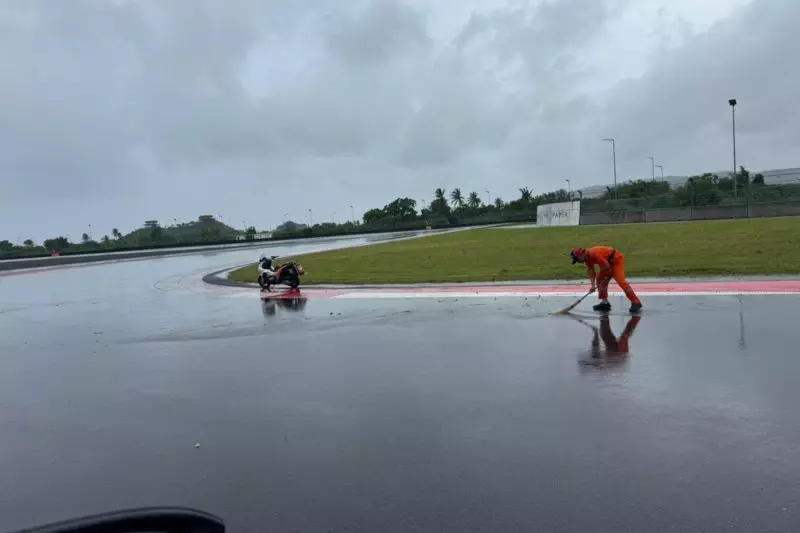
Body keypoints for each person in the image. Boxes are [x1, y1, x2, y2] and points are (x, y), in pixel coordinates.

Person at [570, 246, 642, 313]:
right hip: (607, 263)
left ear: (581, 255)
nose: (578, 261)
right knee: (599, 280)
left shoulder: (593, 254)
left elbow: (607, 267)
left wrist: (606, 277)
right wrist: (592, 285)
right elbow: (591, 271)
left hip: (616, 259)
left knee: (621, 281)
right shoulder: (586, 259)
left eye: (577, 259)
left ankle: (636, 302)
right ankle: (605, 303)